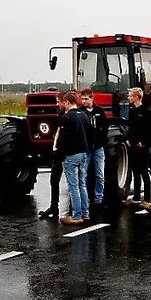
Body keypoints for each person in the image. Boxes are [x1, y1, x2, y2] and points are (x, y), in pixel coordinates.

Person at [56, 91, 92, 225]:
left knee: (73, 186)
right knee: (82, 183)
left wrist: (59, 152)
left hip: (72, 154)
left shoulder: (66, 118)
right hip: (84, 153)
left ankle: (76, 216)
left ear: (67, 102)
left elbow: (64, 138)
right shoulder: (84, 115)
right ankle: (85, 213)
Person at [39, 91, 68, 220]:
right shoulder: (60, 114)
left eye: (58, 102)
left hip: (69, 152)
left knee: (73, 181)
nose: (56, 104)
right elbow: (58, 130)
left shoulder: (73, 115)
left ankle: (75, 209)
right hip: (58, 151)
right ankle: (53, 206)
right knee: (54, 179)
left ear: (64, 101)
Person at [124, 87, 151, 208]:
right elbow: (131, 127)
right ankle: (136, 197)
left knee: (143, 172)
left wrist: (144, 142)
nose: (128, 98)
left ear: (137, 97)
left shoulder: (146, 111)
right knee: (135, 171)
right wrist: (128, 139)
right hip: (133, 144)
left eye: (130, 96)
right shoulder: (132, 111)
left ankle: (146, 199)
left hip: (143, 146)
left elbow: (150, 129)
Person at [80, 88, 108, 211]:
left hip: (98, 148)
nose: (84, 101)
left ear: (92, 98)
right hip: (85, 148)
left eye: (86, 99)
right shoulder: (80, 112)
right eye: (82, 99)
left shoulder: (100, 111)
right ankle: (86, 199)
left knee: (99, 175)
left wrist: (100, 140)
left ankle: (98, 200)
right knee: (83, 175)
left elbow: (105, 128)